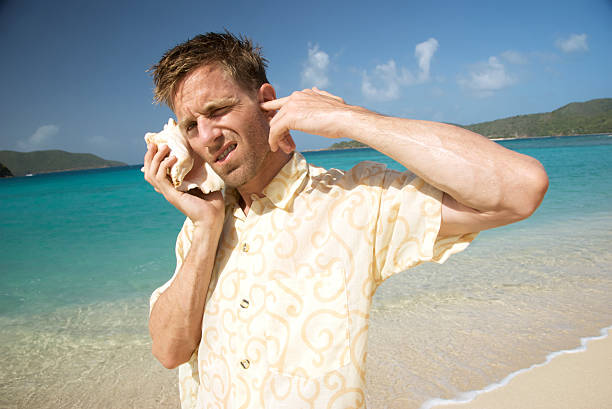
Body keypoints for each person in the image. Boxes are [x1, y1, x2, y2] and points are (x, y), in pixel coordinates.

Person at [142, 32, 548, 409]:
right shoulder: (202, 226)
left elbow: (521, 190)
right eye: (191, 125)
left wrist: (350, 119)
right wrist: (207, 226)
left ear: (267, 100)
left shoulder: (355, 200)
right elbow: (169, 351)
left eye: (219, 110)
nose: (207, 136)